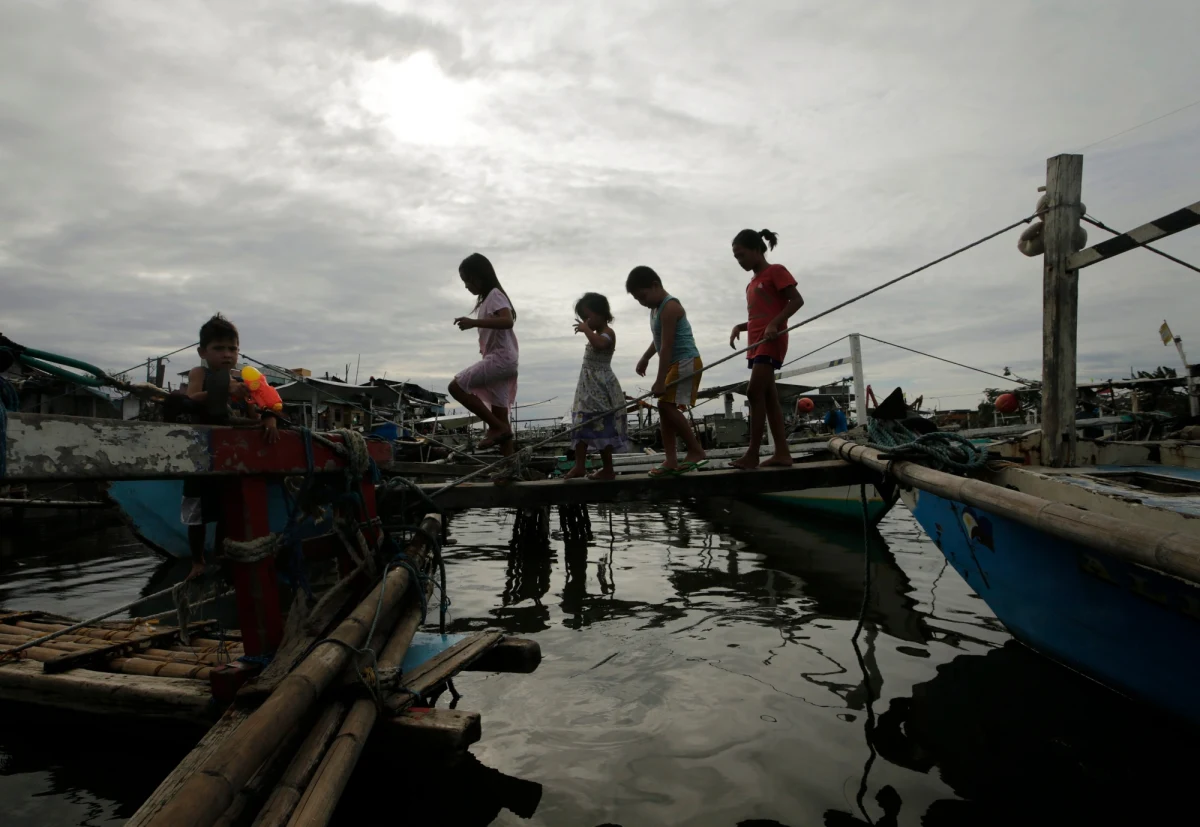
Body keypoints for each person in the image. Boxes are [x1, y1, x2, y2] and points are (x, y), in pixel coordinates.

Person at [182, 313, 279, 579]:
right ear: (203, 351)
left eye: (232, 349)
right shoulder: (200, 373)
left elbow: (260, 408)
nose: (227, 354)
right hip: (201, 454)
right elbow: (192, 399)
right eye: (219, 348)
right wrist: (225, 390)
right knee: (197, 514)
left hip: (231, 456)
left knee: (227, 508)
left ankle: (224, 554)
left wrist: (268, 417)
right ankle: (198, 560)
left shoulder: (246, 379)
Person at [728, 229, 804, 469]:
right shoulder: (751, 283)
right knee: (770, 397)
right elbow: (758, 315)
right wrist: (740, 326)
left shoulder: (776, 271)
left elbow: (797, 300)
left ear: (756, 249)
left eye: (741, 255)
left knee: (753, 391)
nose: (740, 261)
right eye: (736, 258)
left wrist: (774, 324)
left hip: (771, 340)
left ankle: (752, 454)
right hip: (756, 342)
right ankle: (782, 453)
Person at [626, 266, 707, 477]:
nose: (641, 302)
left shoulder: (670, 307)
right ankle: (671, 459)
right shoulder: (655, 310)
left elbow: (667, 346)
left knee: (666, 406)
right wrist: (645, 357)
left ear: (654, 286)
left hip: (685, 360)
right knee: (664, 408)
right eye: (637, 300)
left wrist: (660, 380)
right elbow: (658, 340)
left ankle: (696, 450)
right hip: (674, 363)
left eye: (642, 296)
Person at [449, 253, 519, 456]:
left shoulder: (495, 295)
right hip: (503, 361)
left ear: (480, 276)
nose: (466, 286)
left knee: (456, 386)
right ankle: (509, 469)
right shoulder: (487, 300)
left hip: (500, 359)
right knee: (501, 417)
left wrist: (473, 323)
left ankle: (496, 428)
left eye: (468, 280)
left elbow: (507, 321)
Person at [564, 293, 629, 481]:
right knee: (581, 424)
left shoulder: (608, 333)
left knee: (602, 425)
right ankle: (579, 465)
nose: (585, 321)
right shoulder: (595, 334)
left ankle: (608, 469)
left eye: (587, 317)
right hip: (586, 389)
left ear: (601, 314)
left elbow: (600, 344)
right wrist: (588, 330)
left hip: (600, 388)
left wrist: (586, 331)